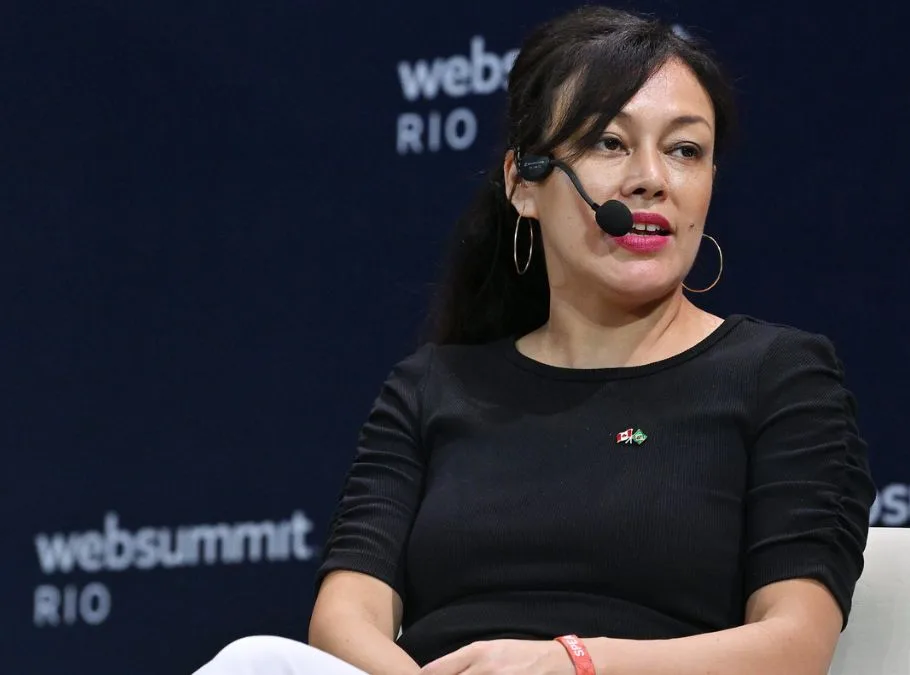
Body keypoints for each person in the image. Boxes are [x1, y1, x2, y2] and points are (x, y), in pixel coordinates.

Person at [193, 5, 875, 675]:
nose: (653, 179)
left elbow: (793, 645)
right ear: (524, 184)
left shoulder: (779, 375)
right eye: (610, 143)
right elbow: (346, 614)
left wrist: (571, 663)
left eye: (685, 150)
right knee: (257, 662)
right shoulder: (432, 387)